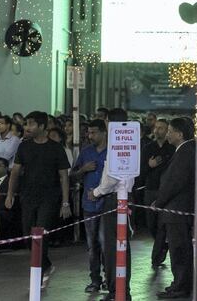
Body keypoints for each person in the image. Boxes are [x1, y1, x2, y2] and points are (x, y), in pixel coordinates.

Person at [5, 111, 71, 288]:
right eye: (26, 124)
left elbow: (64, 176)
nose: (27, 127)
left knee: (40, 234)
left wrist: (65, 202)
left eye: (31, 124)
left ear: (42, 127)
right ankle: (47, 265)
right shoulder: (24, 147)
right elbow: (15, 172)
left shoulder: (56, 148)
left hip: (49, 198)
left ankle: (39, 274)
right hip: (27, 197)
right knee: (28, 236)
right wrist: (10, 194)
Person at [89, 108, 134, 301]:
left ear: (109, 121)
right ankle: (120, 289)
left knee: (113, 248)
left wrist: (97, 191)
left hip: (114, 199)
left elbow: (113, 175)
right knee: (121, 246)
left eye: (105, 121)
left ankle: (117, 290)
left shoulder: (117, 141)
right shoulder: (131, 139)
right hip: (123, 198)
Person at [154, 118, 196, 299]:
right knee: (180, 249)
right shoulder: (186, 150)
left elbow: (174, 182)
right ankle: (179, 283)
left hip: (177, 210)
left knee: (179, 249)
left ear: (180, 134)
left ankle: (181, 286)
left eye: (170, 131)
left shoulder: (185, 152)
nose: (167, 134)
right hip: (178, 210)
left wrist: (159, 202)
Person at [71, 119, 108, 293]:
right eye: (89, 132)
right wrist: (83, 169)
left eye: (93, 132)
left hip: (108, 205)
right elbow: (74, 176)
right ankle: (95, 280)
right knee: (92, 245)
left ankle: (110, 278)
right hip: (89, 206)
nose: (90, 136)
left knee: (106, 243)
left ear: (103, 132)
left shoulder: (112, 152)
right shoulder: (86, 152)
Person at [142, 117, 175, 269]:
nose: (157, 130)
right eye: (156, 127)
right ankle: (161, 245)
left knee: (162, 223)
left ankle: (157, 256)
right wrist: (150, 165)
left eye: (161, 128)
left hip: (165, 190)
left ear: (167, 130)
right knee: (151, 223)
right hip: (150, 189)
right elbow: (141, 170)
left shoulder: (172, 148)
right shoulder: (148, 147)